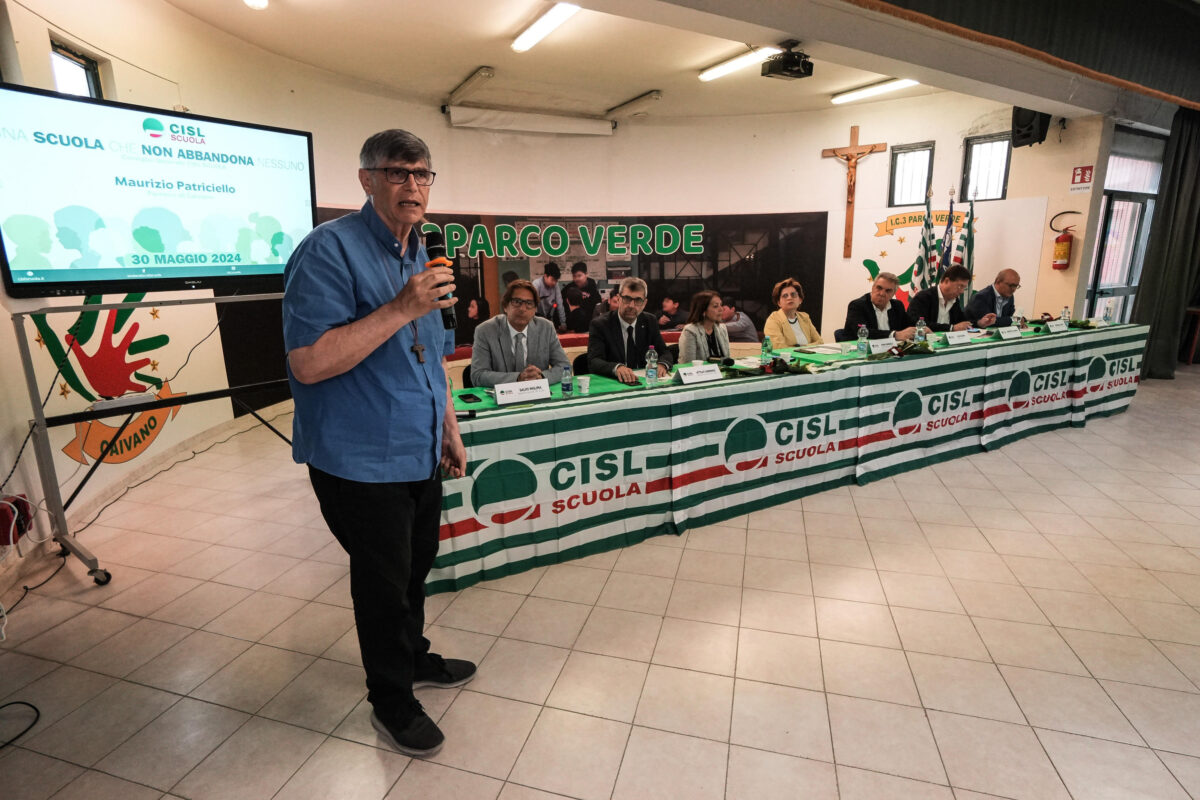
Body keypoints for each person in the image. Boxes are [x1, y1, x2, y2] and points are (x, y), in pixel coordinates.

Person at [282, 129, 474, 759]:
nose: (412, 186)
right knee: (383, 585)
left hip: (419, 447)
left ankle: (412, 657)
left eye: (422, 174)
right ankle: (391, 699)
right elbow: (309, 362)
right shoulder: (327, 250)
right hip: (359, 459)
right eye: (397, 172)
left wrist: (448, 428)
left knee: (415, 569)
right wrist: (400, 307)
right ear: (366, 180)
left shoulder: (424, 252)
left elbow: (434, 355)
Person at [470, 279, 569, 387]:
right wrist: (518, 378)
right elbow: (478, 375)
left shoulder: (546, 328)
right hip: (501, 395)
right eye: (517, 302)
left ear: (535, 309)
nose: (522, 309)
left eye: (529, 303)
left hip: (536, 393)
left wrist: (541, 377)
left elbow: (564, 366)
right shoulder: (485, 331)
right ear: (505, 306)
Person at [588, 276, 675, 383]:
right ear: (619, 299)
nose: (631, 305)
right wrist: (617, 368)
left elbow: (665, 352)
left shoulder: (650, 321)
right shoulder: (600, 324)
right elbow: (594, 361)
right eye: (627, 299)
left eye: (638, 300)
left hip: (644, 382)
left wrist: (662, 364)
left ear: (644, 303)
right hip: (615, 383)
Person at [907, 265, 995, 332]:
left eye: (964, 288)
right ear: (946, 281)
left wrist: (979, 323)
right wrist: (951, 328)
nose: (961, 291)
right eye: (960, 286)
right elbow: (917, 323)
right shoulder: (923, 298)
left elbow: (962, 322)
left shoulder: (954, 300)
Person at [843, 273, 917, 340]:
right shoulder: (857, 305)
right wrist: (894, 335)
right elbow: (861, 331)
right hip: (861, 348)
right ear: (873, 287)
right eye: (879, 288)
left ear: (893, 294)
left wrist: (917, 329)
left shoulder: (897, 306)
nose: (882, 293)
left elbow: (909, 326)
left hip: (892, 348)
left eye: (888, 291)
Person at [764, 278, 823, 346]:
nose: (789, 298)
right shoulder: (774, 320)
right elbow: (779, 348)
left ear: (800, 300)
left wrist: (802, 347)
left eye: (793, 294)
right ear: (779, 303)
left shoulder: (805, 317)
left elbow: (820, 342)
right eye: (785, 296)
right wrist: (806, 348)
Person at [679, 290, 730, 362]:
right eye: (715, 306)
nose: (721, 309)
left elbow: (727, 359)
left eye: (721, 305)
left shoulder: (722, 328)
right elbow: (687, 363)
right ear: (703, 310)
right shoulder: (690, 331)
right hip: (698, 369)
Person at [562, 261, 600, 332]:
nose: (576, 279)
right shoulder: (569, 288)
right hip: (572, 327)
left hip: (590, 325)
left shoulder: (592, 286)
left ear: (586, 274)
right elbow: (560, 305)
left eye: (579, 276)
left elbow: (597, 304)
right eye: (574, 276)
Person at [532, 262, 567, 330]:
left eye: (556, 280)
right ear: (545, 276)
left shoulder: (555, 285)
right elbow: (533, 306)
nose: (554, 283)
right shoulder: (536, 284)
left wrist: (563, 323)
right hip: (537, 317)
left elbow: (559, 304)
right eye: (552, 280)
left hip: (549, 316)